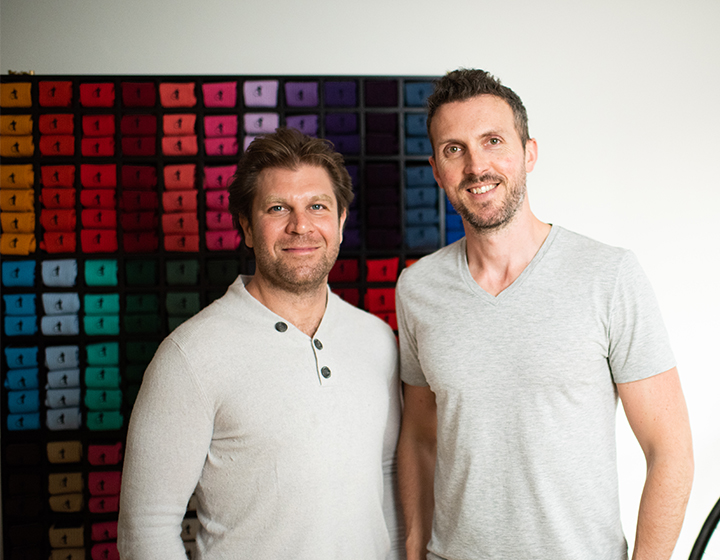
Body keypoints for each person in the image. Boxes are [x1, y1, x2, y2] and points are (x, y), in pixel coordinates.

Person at [395, 69, 693, 560]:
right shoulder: (418, 288)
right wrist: (412, 551)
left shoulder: (608, 275)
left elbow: (671, 451)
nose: (476, 166)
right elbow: (421, 435)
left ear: (529, 152)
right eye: (454, 149)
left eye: (493, 141)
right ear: (436, 169)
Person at [118, 127, 404, 559]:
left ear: (341, 222)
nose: (300, 225)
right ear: (247, 228)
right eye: (277, 208)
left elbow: (385, 476)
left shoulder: (378, 340)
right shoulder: (190, 356)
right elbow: (147, 525)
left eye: (317, 206)